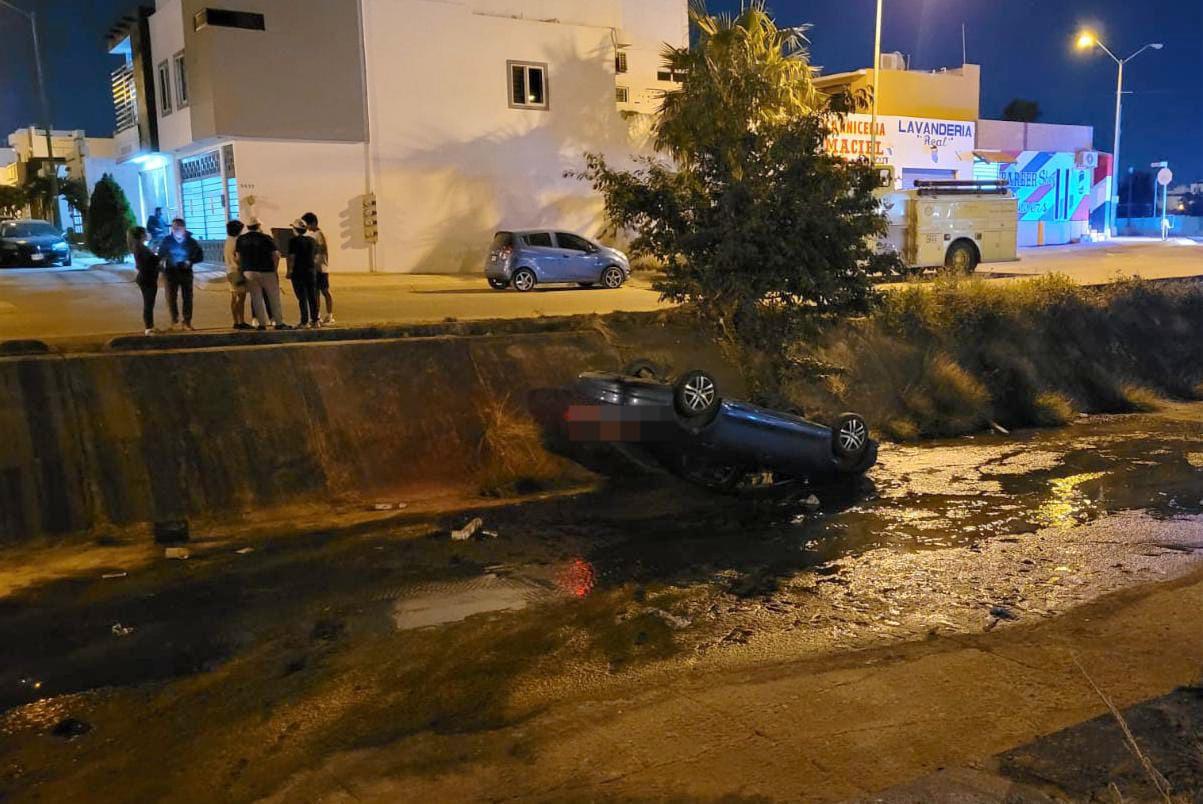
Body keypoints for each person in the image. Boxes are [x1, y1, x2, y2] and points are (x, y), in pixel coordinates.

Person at [236, 217, 290, 330]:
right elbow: (276, 255)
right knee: (273, 297)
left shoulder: (241, 239)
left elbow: (238, 257)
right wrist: (274, 269)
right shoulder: (266, 238)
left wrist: (242, 270)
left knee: (256, 298)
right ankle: (279, 322)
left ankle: (261, 324)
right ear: (259, 226)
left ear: (248, 227)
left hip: (248, 271)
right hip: (267, 271)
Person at [157, 218, 204, 330]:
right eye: (173, 228)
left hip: (185, 272)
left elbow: (199, 256)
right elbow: (160, 255)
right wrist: (161, 268)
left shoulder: (191, 242)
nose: (175, 230)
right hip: (170, 273)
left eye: (178, 228)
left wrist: (190, 261)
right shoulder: (167, 240)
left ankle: (187, 322)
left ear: (183, 228)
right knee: (171, 297)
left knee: (187, 297)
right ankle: (174, 321)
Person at [287, 218, 320, 327]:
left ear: (295, 229)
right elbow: (316, 256)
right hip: (311, 271)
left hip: (298, 272)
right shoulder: (312, 240)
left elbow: (292, 257)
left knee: (302, 297)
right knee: (312, 296)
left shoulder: (293, 241)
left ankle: (304, 321)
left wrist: (289, 270)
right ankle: (315, 320)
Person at [302, 212, 334, 324]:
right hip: (315, 268)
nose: (306, 227)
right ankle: (317, 315)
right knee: (315, 293)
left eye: (307, 224)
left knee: (325, 291)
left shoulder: (319, 234)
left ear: (314, 223)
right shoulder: (313, 235)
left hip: (321, 268)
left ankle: (329, 315)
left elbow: (321, 248)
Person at [129, 226, 160, 335]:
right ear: (142, 235)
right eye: (146, 232)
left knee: (149, 303)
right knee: (148, 303)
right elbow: (149, 262)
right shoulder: (140, 247)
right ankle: (148, 328)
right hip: (147, 278)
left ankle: (150, 326)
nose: (147, 234)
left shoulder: (140, 246)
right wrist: (158, 256)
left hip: (147, 277)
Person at [224, 220, 252, 330]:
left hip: (229, 271)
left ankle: (236, 321)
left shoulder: (228, 241)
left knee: (234, 297)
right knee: (241, 297)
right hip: (237, 271)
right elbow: (238, 258)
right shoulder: (237, 241)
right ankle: (241, 321)